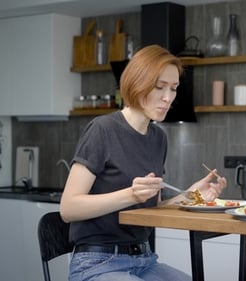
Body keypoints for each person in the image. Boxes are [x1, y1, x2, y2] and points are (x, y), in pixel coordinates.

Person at [60, 45, 227, 281]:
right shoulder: (102, 129)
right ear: (137, 83)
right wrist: (130, 195)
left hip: (145, 260)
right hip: (97, 263)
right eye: (159, 87)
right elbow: (68, 209)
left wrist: (192, 194)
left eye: (174, 88)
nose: (168, 98)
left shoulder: (158, 138)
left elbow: (152, 207)